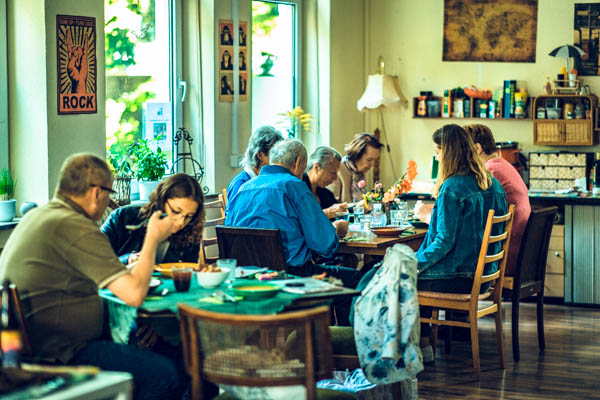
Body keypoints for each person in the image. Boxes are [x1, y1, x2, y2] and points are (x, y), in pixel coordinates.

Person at [0, 154, 190, 400]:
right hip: (63, 352)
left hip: (28, 346)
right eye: (109, 193)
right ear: (97, 193)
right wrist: (153, 238)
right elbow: (134, 295)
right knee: (165, 373)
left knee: (145, 342)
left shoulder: (40, 215)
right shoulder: (75, 226)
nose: (109, 201)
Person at [225, 139, 364, 323]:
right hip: (292, 278)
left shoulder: (243, 188)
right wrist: (336, 231)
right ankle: (340, 337)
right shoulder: (293, 186)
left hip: (248, 280)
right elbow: (325, 245)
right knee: (356, 279)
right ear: (298, 162)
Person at [416, 125, 507, 359]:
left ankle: (419, 348)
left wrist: (412, 263)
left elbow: (443, 242)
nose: (436, 158)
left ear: (449, 153)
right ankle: (423, 346)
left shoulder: (451, 188)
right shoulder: (493, 184)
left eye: (437, 152)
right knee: (413, 273)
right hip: (484, 277)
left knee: (403, 279)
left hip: (459, 278)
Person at [463, 124, 530, 276]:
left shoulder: (489, 172)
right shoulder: (504, 165)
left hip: (502, 259)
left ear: (477, 148)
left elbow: (473, 219)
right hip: (520, 255)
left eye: (462, 149)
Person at [101, 173, 205, 265]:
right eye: (176, 211)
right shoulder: (122, 217)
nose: (181, 222)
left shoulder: (191, 229)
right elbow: (96, 259)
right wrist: (128, 259)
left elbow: (188, 270)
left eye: (189, 216)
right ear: (162, 200)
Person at [226, 125, 283, 202]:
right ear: (260, 155)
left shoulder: (266, 180)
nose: (279, 158)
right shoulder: (240, 185)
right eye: (274, 153)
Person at [328, 132, 383, 203]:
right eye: (369, 160)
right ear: (357, 154)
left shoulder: (358, 171)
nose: (372, 164)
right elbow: (332, 205)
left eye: (375, 160)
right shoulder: (337, 169)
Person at [303, 146, 348, 219]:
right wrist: (327, 213)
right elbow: (300, 219)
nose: (335, 178)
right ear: (317, 168)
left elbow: (341, 209)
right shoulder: (298, 187)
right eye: (333, 173)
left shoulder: (326, 194)